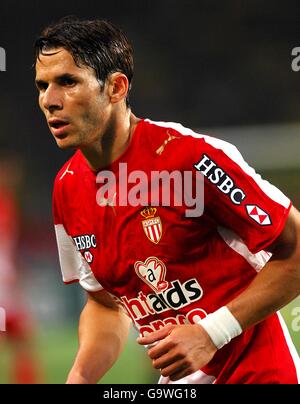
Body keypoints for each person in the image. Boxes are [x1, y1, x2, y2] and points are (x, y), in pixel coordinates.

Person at [34, 16, 300, 384]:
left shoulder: (189, 158)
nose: (49, 100)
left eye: (67, 82)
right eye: (42, 85)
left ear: (115, 88)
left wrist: (212, 333)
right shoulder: (67, 188)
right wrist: (79, 376)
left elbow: (296, 249)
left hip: (256, 370)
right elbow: (104, 304)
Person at [0, 153, 41, 384]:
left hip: (7, 289)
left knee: (24, 342)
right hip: (2, 292)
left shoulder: (7, 202)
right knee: (22, 341)